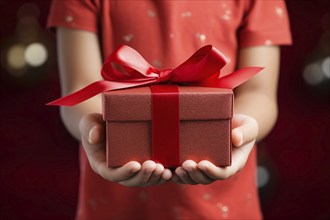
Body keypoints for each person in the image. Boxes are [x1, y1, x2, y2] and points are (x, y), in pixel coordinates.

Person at [48, 1, 292, 219]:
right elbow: (81, 89)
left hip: (225, 205)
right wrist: (97, 132)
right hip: (115, 202)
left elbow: (258, 92)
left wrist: (238, 131)